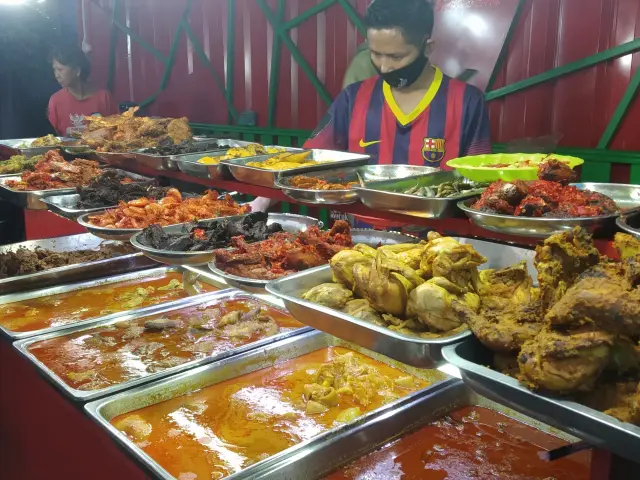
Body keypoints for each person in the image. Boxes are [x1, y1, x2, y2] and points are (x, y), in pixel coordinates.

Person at [250, 0, 491, 215]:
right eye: (375, 54)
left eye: (396, 57)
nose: (384, 67)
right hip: (360, 240)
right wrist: (261, 202)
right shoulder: (353, 97)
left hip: (437, 245)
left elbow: (480, 181)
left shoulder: (467, 101)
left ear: (427, 47)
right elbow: (310, 161)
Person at [47, 44, 118, 136]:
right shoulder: (56, 101)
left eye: (60, 70)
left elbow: (117, 131)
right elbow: (52, 138)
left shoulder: (104, 97)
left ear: (77, 71)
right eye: (54, 70)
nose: (56, 75)